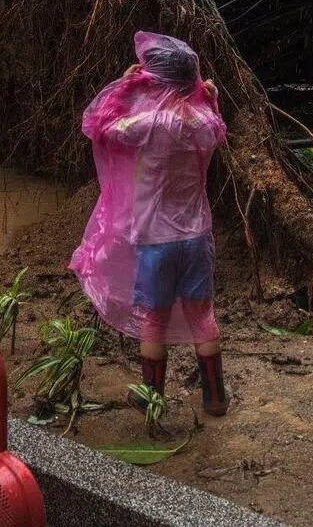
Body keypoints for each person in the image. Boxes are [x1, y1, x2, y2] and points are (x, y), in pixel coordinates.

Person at [70, 32, 229, 417]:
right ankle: (215, 398)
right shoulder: (205, 121)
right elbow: (218, 127)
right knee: (202, 315)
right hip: (197, 236)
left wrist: (124, 88)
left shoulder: (144, 124)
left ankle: (150, 399)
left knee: (153, 321)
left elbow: (97, 126)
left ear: (152, 80)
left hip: (155, 240)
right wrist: (209, 98)